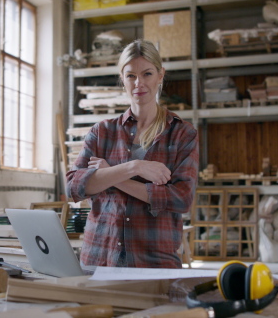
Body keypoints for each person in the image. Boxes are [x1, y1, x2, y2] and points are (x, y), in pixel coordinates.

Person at [66, 39, 199, 268]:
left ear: (160, 75)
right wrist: (134, 167)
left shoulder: (181, 134)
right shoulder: (102, 132)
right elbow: (73, 187)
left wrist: (110, 175)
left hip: (154, 261)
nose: (139, 83)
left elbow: (181, 198)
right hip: (100, 258)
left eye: (147, 73)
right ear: (122, 78)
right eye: (130, 76)